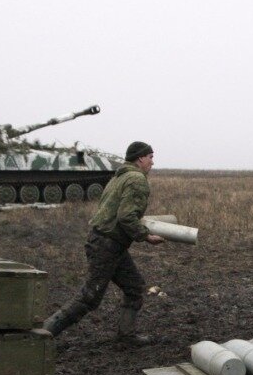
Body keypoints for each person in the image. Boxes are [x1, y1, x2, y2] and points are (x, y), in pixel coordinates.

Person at [43, 141, 165, 344]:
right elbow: (126, 216)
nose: (152, 162)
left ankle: (126, 336)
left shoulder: (119, 177)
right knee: (90, 296)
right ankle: (43, 334)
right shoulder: (137, 179)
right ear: (140, 158)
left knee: (134, 287)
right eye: (150, 157)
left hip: (108, 243)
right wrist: (146, 236)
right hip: (107, 245)